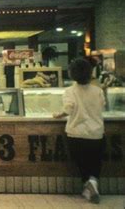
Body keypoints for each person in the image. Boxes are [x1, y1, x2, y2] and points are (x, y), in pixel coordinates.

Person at [53, 58, 105, 204]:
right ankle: (93, 182)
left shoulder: (70, 91)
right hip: (96, 134)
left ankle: (88, 185)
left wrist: (58, 115)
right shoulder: (97, 91)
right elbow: (102, 106)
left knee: (82, 163)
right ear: (90, 72)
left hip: (76, 134)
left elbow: (68, 108)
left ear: (71, 73)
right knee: (95, 162)